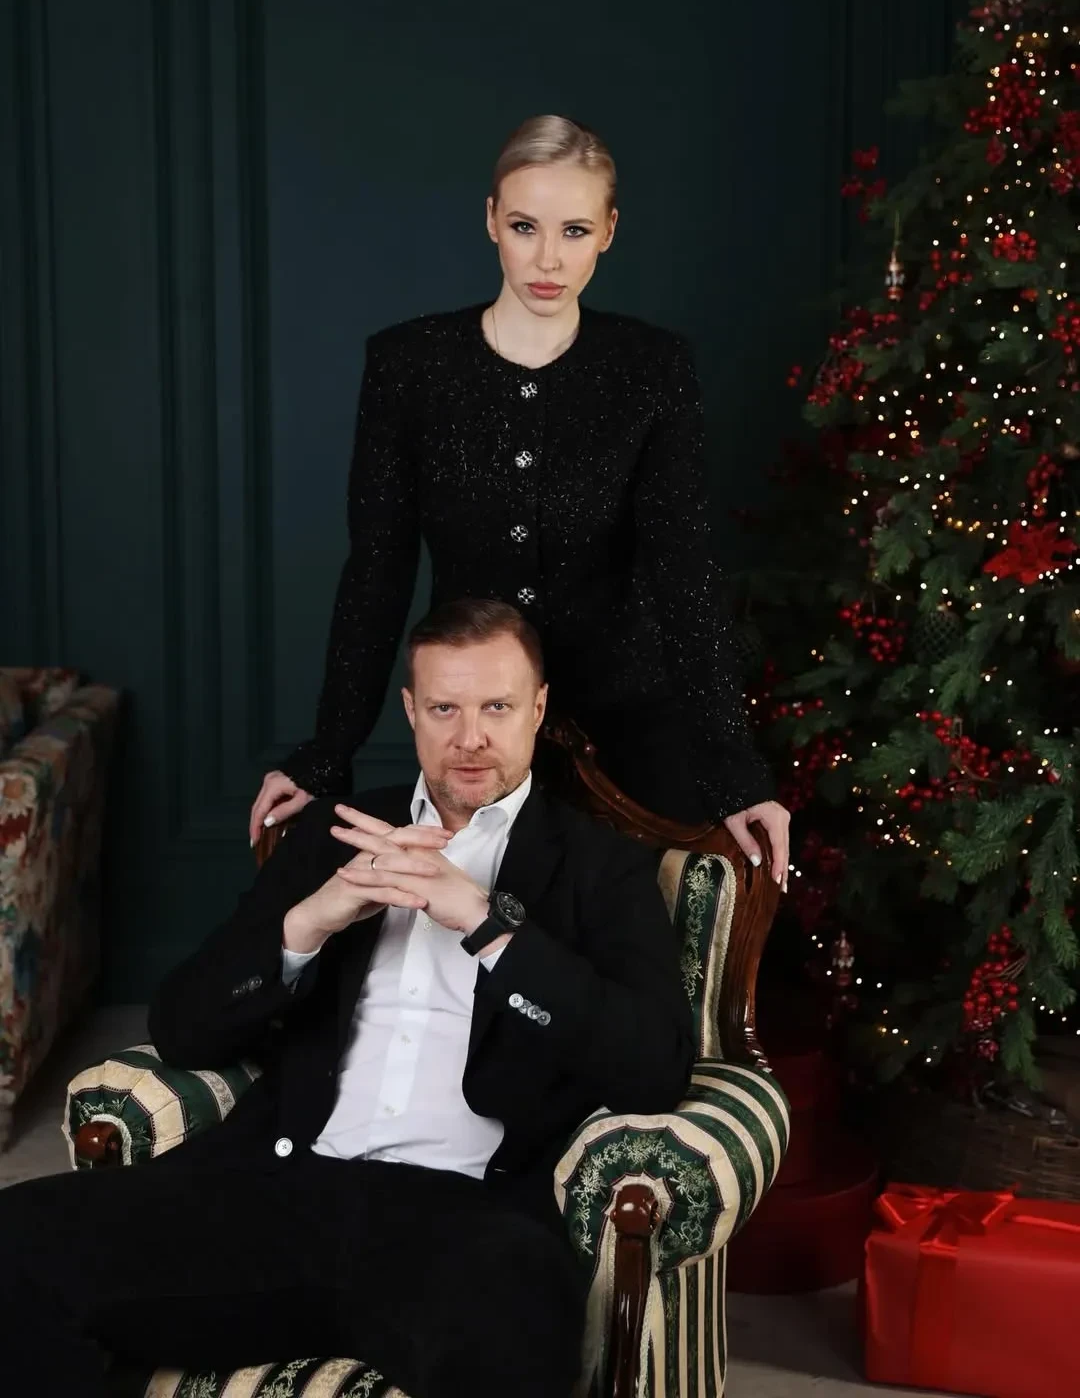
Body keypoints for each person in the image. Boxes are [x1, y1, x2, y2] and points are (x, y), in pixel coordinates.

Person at [0, 599, 694, 1398]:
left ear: (538, 709)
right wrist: (311, 921)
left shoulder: (603, 867)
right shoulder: (337, 832)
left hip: (465, 1215)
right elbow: (183, 1030)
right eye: (445, 709)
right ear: (411, 710)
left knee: (512, 1339)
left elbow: (654, 1066)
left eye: (497, 707)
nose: (471, 737)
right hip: (279, 1187)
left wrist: (488, 923)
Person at [248, 114, 790, 886]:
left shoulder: (652, 368)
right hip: (474, 728)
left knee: (628, 940)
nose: (548, 259)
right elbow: (378, 570)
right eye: (526, 226)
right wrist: (328, 750)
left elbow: (685, 571)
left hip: (630, 725)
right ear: (491, 220)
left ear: (609, 231)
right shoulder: (410, 365)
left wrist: (734, 769)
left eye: (575, 231)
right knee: (471, 935)